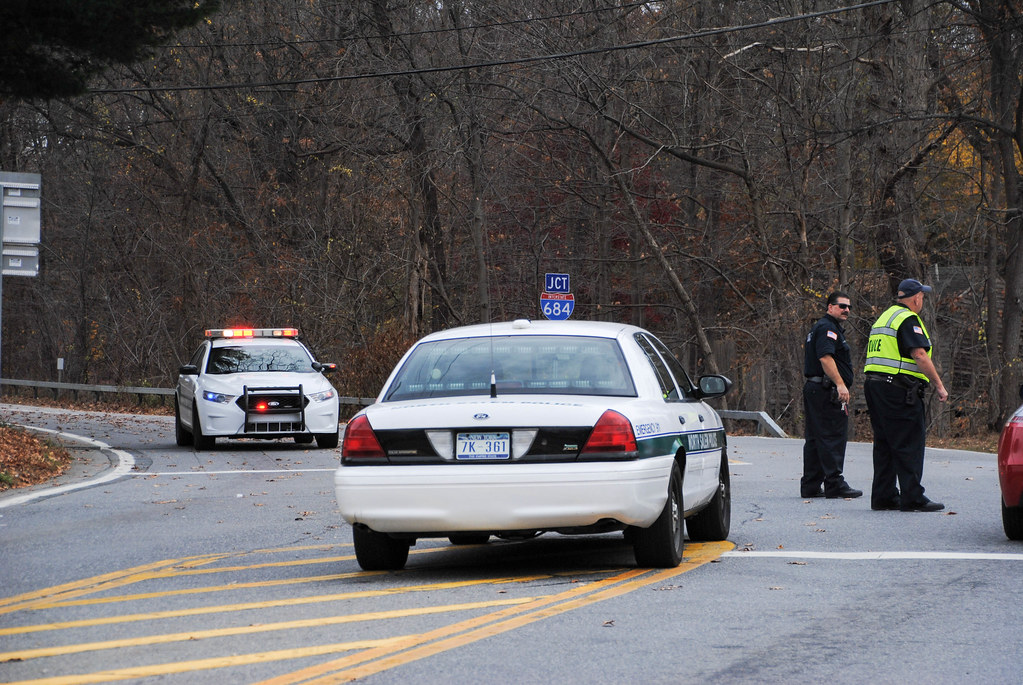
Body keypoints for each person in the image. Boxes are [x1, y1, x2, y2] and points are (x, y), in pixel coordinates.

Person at [864, 278, 949, 512]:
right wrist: (939, 385)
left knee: (885, 443)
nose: (922, 300)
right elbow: (919, 354)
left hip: (875, 386)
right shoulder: (908, 318)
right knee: (909, 442)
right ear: (916, 298)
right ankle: (912, 497)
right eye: (922, 296)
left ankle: (884, 496)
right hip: (898, 388)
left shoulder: (884, 317)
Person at [801, 291, 863, 499]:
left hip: (816, 388)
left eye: (849, 307)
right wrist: (840, 384)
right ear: (829, 307)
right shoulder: (827, 328)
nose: (846, 310)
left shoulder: (823, 327)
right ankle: (834, 483)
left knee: (816, 438)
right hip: (826, 390)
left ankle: (810, 484)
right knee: (832, 436)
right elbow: (825, 358)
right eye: (841, 306)